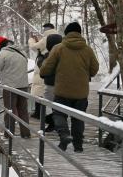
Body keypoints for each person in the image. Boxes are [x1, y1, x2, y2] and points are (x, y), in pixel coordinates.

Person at [39, 22, 99, 153]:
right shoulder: (88, 50)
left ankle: (65, 135)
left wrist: (45, 73)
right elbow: (94, 70)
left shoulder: (58, 48)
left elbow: (46, 68)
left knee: (59, 113)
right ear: (79, 33)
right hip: (81, 92)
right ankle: (78, 146)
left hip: (62, 90)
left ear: (66, 33)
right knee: (78, 117)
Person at [0, 36, 31, 138]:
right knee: (23, 110)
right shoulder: (22, 52)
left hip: (10, 87)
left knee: (9, 110)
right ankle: (26, 134)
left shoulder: (3, 54)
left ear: (0, 46)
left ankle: (9, 134)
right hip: (23, 85)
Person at [28, 23, 58, 119]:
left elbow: (34, 47)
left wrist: (31, 40)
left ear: (46, 29)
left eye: (44, 29)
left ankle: (39, 114)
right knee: (45, 90)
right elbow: (41, 48)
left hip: (43, 65)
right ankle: (46, 114)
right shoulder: (57, 38)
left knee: (39, 90)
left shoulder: (46, 38)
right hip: (52, 67)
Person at [38, 32, 63, 133]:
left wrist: (40, 59)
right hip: (63, 84)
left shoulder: (48, 56)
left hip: (51, 85)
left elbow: (43, 72)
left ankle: (55, 124)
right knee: (59, 107)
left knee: (48, 106)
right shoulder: (65, 54)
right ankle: (59, 125)